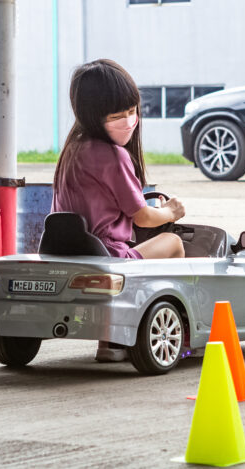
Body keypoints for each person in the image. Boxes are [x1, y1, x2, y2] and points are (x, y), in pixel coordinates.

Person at [52, 59, 186, 362]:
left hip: (69, 252)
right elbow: (144, 216)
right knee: (173, 243)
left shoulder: (71, 151)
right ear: (93, 116)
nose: (128, 121)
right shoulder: (113, 156)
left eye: (132, 111)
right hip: (108, 255)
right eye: (117, 116)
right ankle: (165, 327)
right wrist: (171, 212)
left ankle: (111, 341)